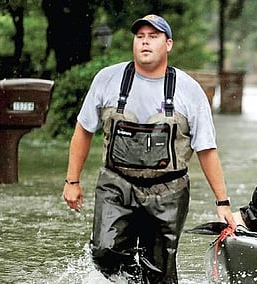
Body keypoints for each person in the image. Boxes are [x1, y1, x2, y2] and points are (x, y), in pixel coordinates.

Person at [62, 14, 236, 283]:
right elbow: (83, 130)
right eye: (140, 36)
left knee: (158, 271)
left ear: (168, 44)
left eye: (153, 37)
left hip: (169, 191)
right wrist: (72, 180)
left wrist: (222, 201)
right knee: (105, 252)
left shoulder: (189, 90)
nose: (145, 42)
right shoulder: (107, 79)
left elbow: (206, 148)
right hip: (115, 184)